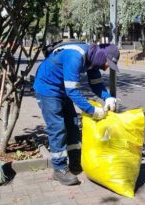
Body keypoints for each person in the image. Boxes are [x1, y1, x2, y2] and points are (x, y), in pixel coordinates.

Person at [33, 42, 120, 186]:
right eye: (106, 63)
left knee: (73, 124)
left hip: (62, 89)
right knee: (57, 128)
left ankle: (74, 161)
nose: (105, 68)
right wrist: (93, 111)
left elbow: (96, 84)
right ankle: (59, 169)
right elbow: (72, 91)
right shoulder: (76, 57)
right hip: (47, 89)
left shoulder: (92, 59)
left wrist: (108, 97)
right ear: (102, 56)